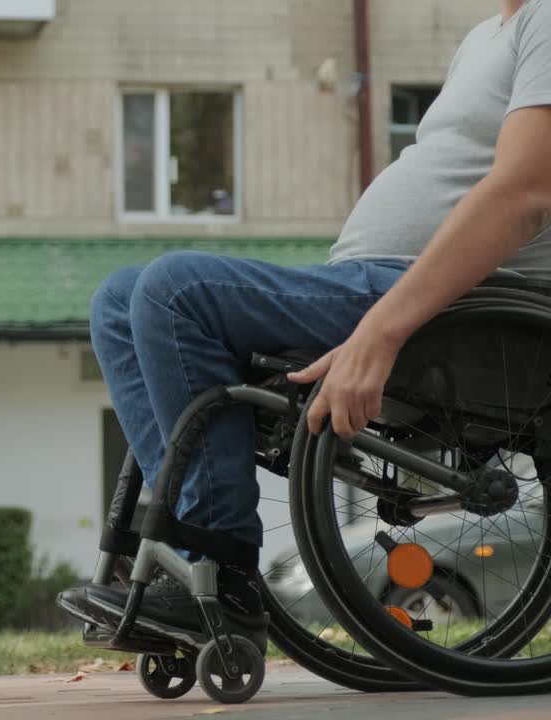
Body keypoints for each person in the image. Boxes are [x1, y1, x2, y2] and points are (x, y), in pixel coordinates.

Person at [59, 0, 551, 650]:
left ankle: (220, 568)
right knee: (121, 300)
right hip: (380, 287)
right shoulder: (488, 35)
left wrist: (380, 330)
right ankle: (187, 563)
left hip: (456, 308)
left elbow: (525, 193)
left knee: (178, 291)